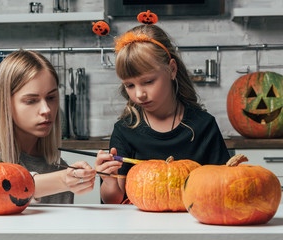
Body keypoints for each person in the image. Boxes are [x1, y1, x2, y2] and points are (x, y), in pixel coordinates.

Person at [94, 24, 230, 204]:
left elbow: (224, 187)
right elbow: (114, 201)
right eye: (130, 85)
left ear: (172, 70)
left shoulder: (204, 125)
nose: (139, 94)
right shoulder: (124, 130)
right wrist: (108, 181)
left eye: (148, 81)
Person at [0, 50, 97, 204]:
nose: (46, 109)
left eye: (51, 97)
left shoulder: (58, 169)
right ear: (6, 103)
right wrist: (62, 181)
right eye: (31, 100)